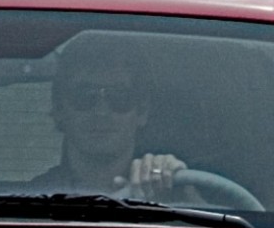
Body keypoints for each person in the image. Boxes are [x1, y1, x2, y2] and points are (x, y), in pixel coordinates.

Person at [32, 36, 185, 199]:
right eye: (85, 96)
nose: (101, 111)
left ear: (142, 112)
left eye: (119, 97)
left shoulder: (171, 193)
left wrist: (178, 186)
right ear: (59, 110)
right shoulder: (30, 204)